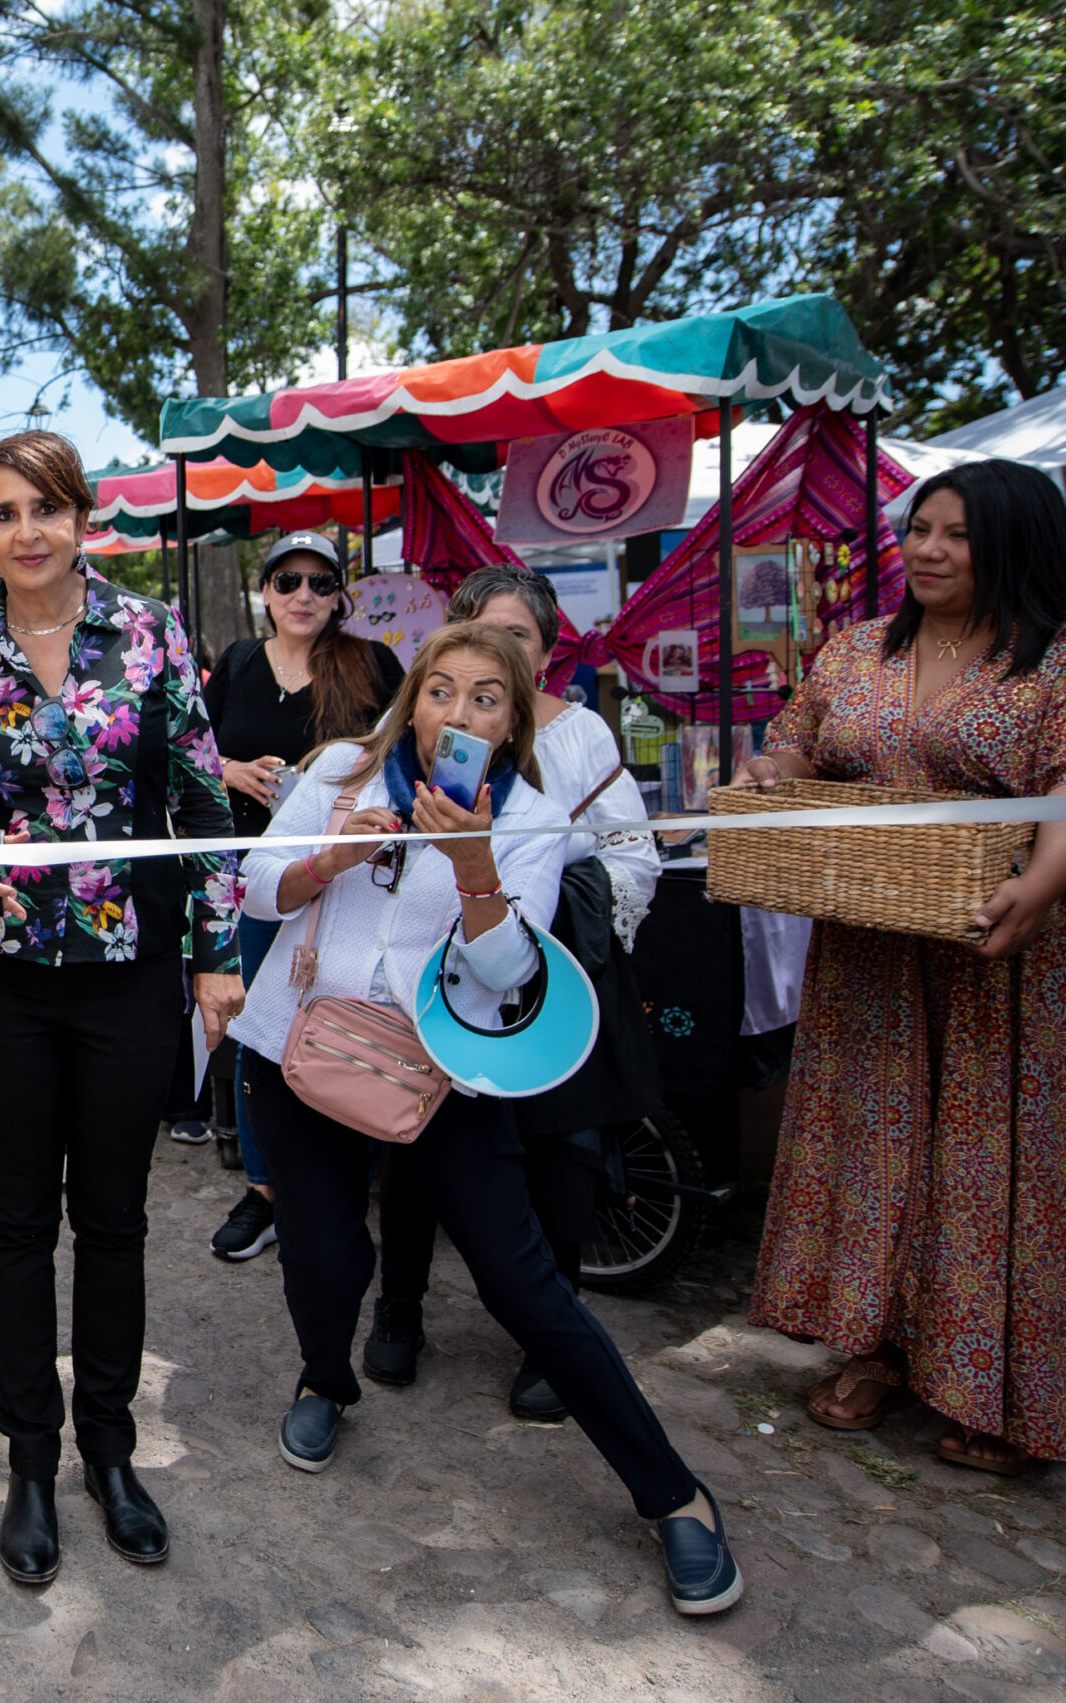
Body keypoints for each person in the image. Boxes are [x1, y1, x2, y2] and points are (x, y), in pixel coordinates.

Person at [234, 621, 742, 1616]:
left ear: (513, 721)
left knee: (526, 1286)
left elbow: (509, 976)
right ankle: (323, 1380)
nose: (456, 712)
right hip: (301, 1050)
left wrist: (472, 864)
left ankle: (675, 1493)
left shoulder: (532, 820)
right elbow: (254, 883)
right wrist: (329, 859)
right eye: (440, 690)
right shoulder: (342, 768)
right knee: (325, 1257)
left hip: (440, 1078)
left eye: (484, 697)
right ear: (410, 698)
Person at [0, 431, 244, 1585]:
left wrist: (217, 952)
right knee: (16, 1224)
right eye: (3, 513)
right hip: (5, 973)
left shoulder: (149, 633)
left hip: (133, 974)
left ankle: (110, 1450)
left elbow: (204, 799)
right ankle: (29, 1459)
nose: (26, 532)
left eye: (44, 508)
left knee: (113, 1219)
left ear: (82, 516)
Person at [742, 460, 1066, 1476]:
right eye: (917, 528)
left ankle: (998, 1387)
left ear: (1013, 544)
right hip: (869, 945)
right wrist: (767, 772)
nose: (925, 548)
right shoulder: (852, 652)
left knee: (987, 1163)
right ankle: (873, 1344)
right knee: (874, 1145)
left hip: (996, 953)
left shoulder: (1050, 663)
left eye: (955, 533)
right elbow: (795, 747)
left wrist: (1041, 885)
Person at [367, 564, 661, 1418]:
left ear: (545, 650)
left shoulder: (579, 739)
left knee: (556, 1152)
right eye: (479, 637)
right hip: (447, 975)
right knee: (419, 1142)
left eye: (519, 639)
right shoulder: (420, 724)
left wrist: (543, 904)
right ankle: (398, 1307)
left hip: (550, 970)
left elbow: (631, 853)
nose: (498, 654)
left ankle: (549, 1334)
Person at [197, 535, 405, 1258]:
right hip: (255, 877)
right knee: (260, 1031)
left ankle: (345, 1181)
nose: (304, 594)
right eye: (289, 580)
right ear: (266, 590)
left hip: (346, 882)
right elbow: (190, 748)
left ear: (339, 594)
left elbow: (406, 748)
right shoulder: (238, 662)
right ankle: (265, 1188)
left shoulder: (371, 664)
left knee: (346, 1027)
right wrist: (229, 770)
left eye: (321, 582)